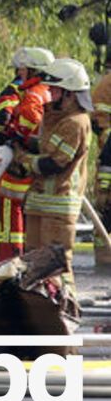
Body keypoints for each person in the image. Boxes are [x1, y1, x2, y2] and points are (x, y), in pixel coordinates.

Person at [22, 57, 93, 287]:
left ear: (70, 94)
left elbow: (55, 163)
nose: (49, 94)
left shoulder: (76, 122)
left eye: (55, 90)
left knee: (56, 267)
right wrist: (19, 141)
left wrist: (23, 160)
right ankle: (37, 312)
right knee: (32, 264)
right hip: (40, 202)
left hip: (58, 207)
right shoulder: (56, 118)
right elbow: (45, 147)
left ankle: (64, 310)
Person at [0, 47, 53, 262]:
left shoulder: (33, 94)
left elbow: (27, 123)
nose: (18, 75)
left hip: (18, 171)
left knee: (11, 221)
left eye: (22, 70)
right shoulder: (51, 91)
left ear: (33, 70)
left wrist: (15, 134)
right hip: (37, 169)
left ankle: (8, 261)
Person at [92, 64, 111, 271]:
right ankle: (104, 260)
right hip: (109, 157)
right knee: (106, 212)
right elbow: (98, 121)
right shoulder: (107, 84)